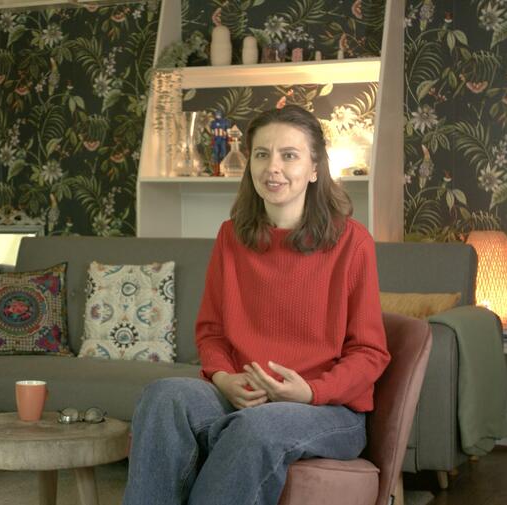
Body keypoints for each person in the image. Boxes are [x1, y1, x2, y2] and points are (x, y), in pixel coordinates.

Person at [123, 104, 391, 505]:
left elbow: (370, 353)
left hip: (327, 410)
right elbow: (211, 333)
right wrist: (223, 378)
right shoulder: (231, 238)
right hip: (242, 395)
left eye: (289, 155)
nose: (273, 168)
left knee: (257, 427)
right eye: (262, 154)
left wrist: (311, 392)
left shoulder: (353, 243)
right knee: (164, 396)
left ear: (315, 168)